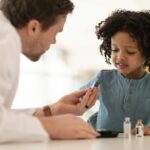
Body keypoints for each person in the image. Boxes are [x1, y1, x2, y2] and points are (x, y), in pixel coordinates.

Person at [0, 0, 100, 143]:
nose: (54, 42)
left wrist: (52, 110)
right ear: (33, 27)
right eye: (56, 33)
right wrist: (52, 126)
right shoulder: (5, 38)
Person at [80, 9, 150, 135]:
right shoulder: (103, 78)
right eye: (115, 49)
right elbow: (76, 99)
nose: (120, 57)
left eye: (130, 52)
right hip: (102, 143)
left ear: (146, 54)